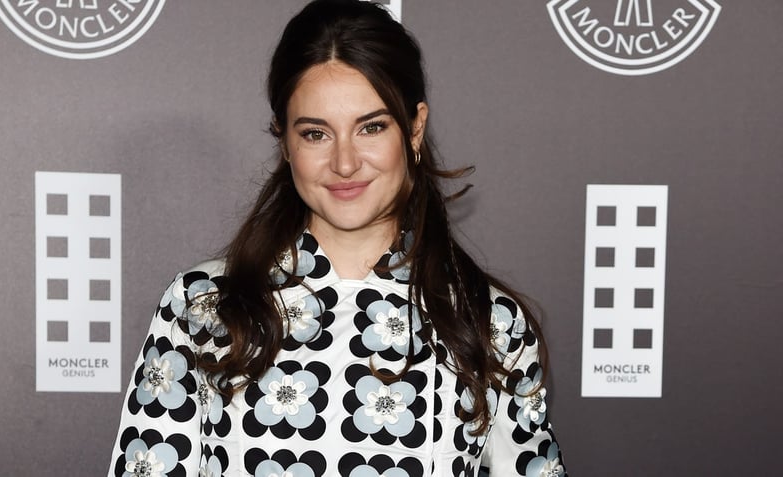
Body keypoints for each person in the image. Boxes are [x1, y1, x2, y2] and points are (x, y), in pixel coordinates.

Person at [108, 1, 567, 476]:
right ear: (285, 142)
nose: (345, 163)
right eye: (315, 134)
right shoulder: (204, 306)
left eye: (371, 127)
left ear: (414, 128)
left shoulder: (487, 322)